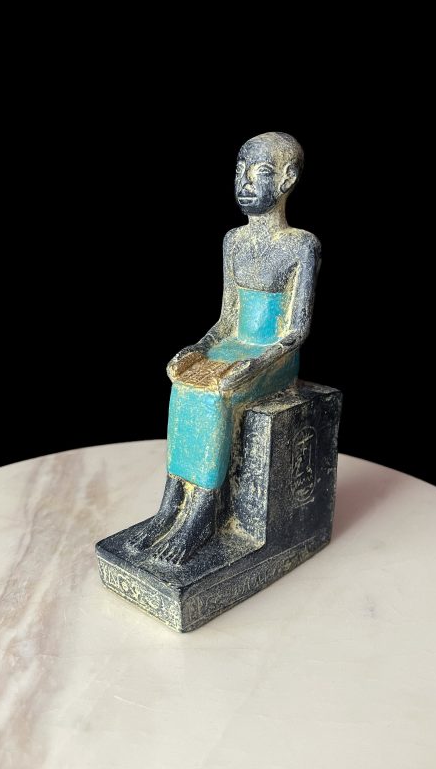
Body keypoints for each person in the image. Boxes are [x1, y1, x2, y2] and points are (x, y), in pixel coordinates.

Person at [131, 132, 321, 565]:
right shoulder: (234, 241)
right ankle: (171, 505)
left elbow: (295, 331)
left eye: (261, 172)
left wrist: (254, 364)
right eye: (239, 172)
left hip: (274, 355)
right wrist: (195, 349)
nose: (245, 182)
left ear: (288, 179)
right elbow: (225, 321)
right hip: (235, 345)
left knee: (216, 392)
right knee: (184, 382)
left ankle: (201, 514)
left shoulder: (301, 245)